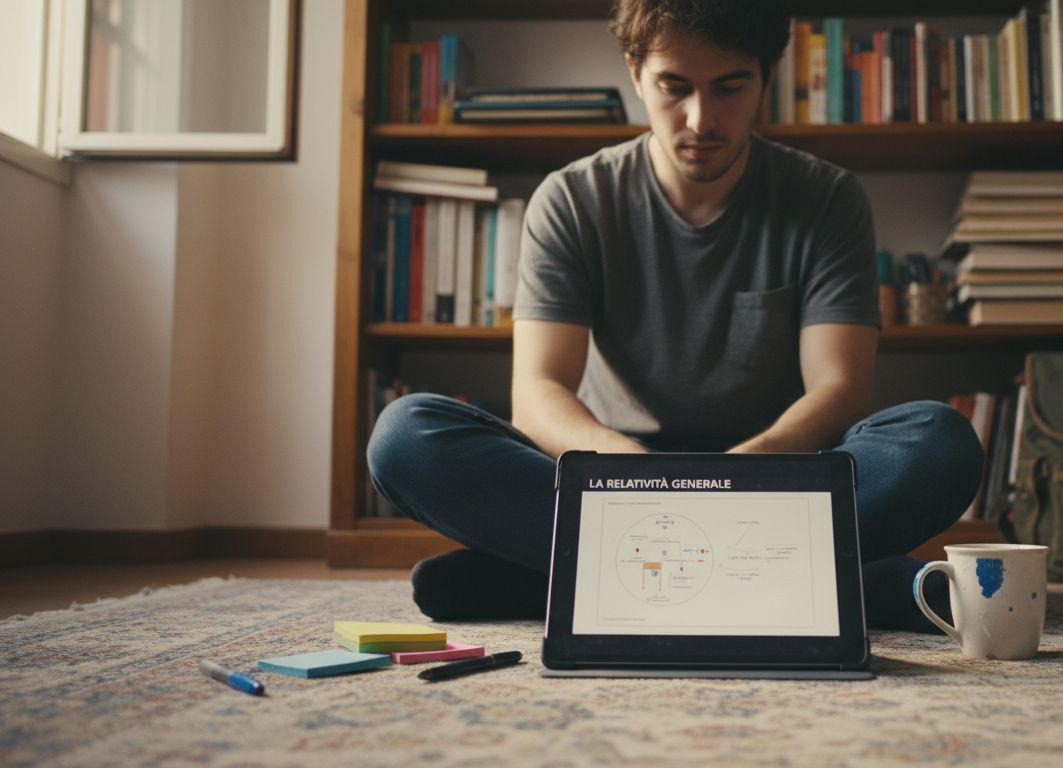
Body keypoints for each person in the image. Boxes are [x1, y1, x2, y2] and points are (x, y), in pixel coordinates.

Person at [367, 0, 982, 630]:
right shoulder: (572, 199)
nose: (700, 119)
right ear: (635, 73)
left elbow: (840, 389)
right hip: (613, 476)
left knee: (938, 442)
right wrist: (637, 475)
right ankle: (831, 584)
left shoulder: (827, 200)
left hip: (769, 481)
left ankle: (567, 578)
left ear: (767, 77)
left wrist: (735, 476)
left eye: (729, 88)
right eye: (673, 87)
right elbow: (538, 392)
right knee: (406, 436)